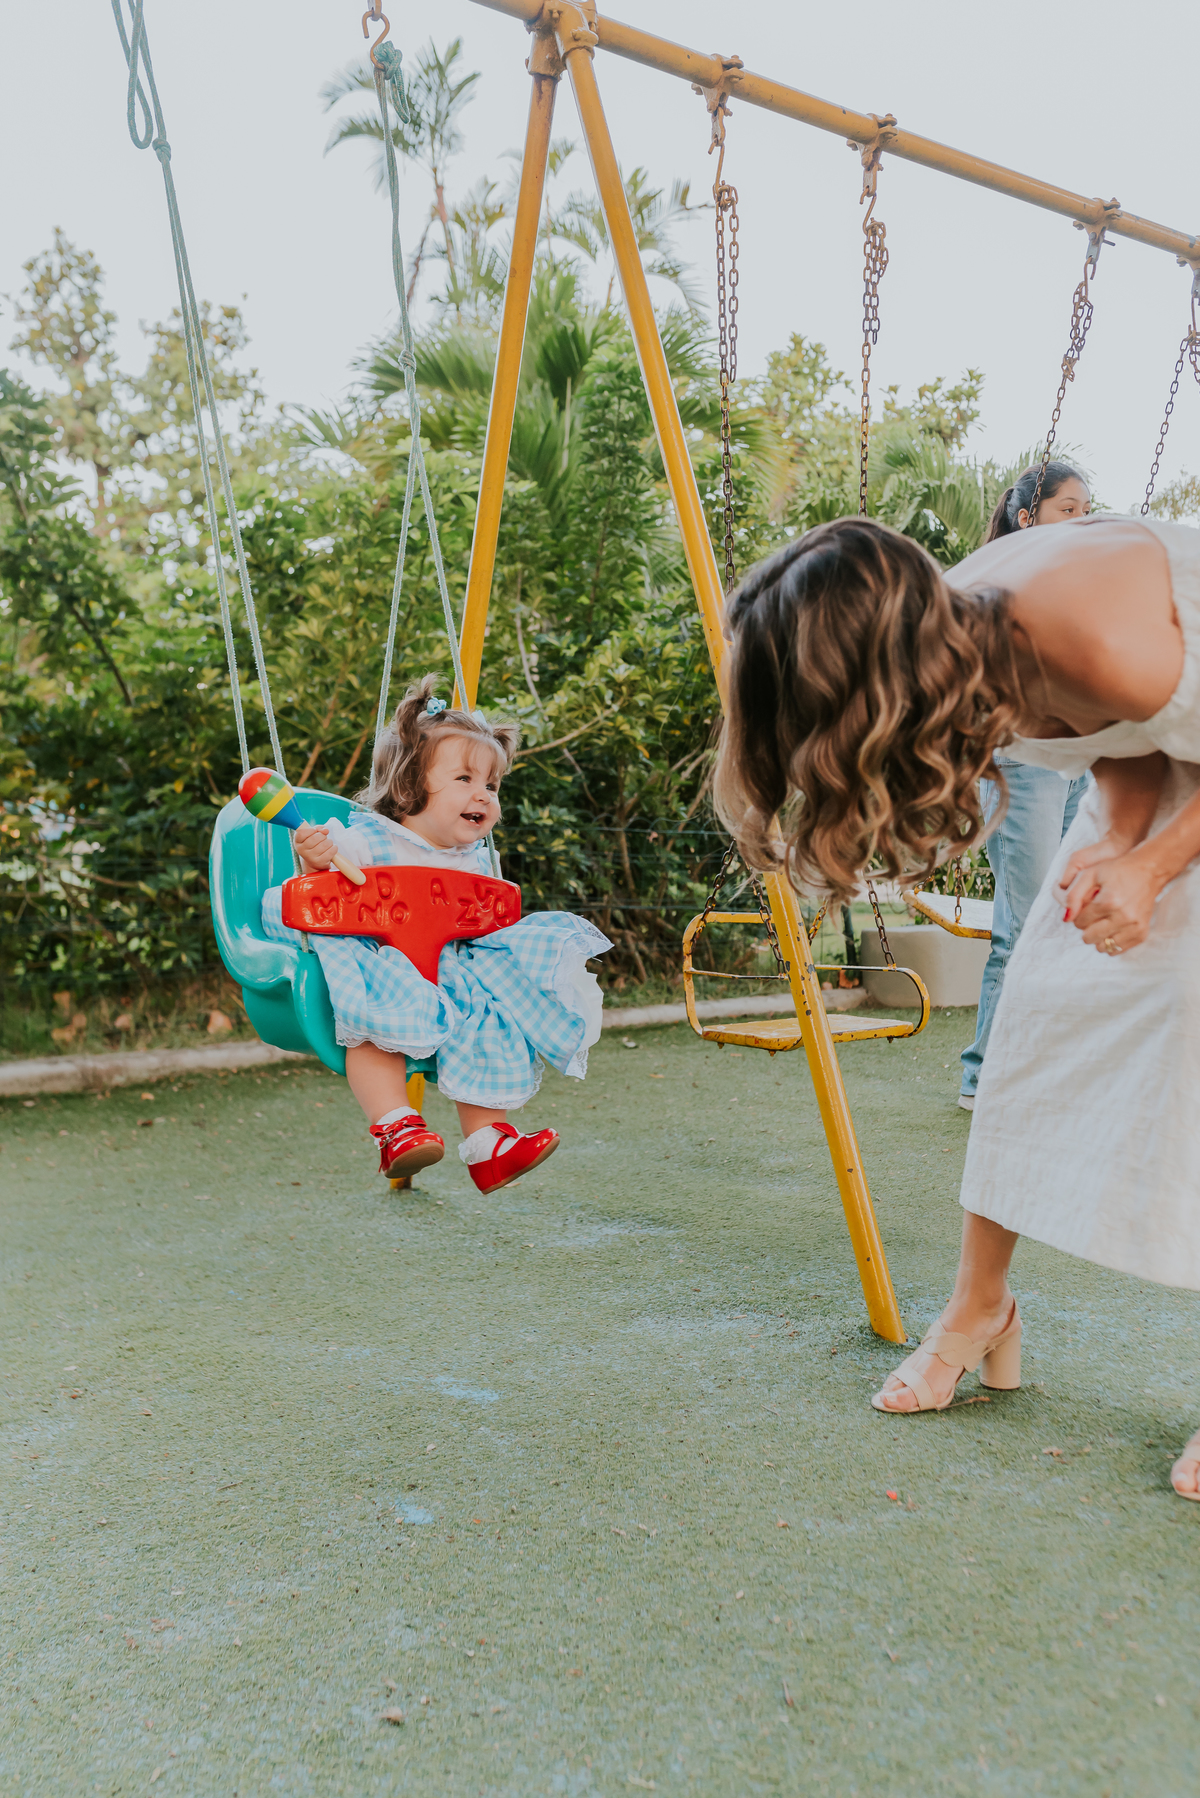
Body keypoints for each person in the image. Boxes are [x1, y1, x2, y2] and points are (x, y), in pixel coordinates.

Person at [714, 511, 1200, 1499]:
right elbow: (1134, 735)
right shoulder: (960, 634)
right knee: (1041, 1011)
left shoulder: (1097, 634)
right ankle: (983, 1310)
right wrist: (1123, 835)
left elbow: (1132, 687)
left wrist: (1152, 865)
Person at [261, 676, 610, 1194]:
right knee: (380, 1017)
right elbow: (330, 871)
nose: (483, 796)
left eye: (491, 785)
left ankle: (489, 1144)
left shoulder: (474, 860)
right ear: (408, 787)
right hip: (386, 963)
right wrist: (316, 852)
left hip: (450, 969)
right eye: (465, 780)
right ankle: (395, 1126)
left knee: (491, 1019)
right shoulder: (371, 839)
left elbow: (487, 918)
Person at [958, 461, 1092, 1111]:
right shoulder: (999, 579)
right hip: (1024, 767)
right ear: (1026, 514)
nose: (1082, 519)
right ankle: (982, 1076)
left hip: (1078, 765)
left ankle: (1048, 1070)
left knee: (1067, 921)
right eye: (1069, 508)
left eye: (1085, 508)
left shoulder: (1076, 579)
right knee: (1023, 926)